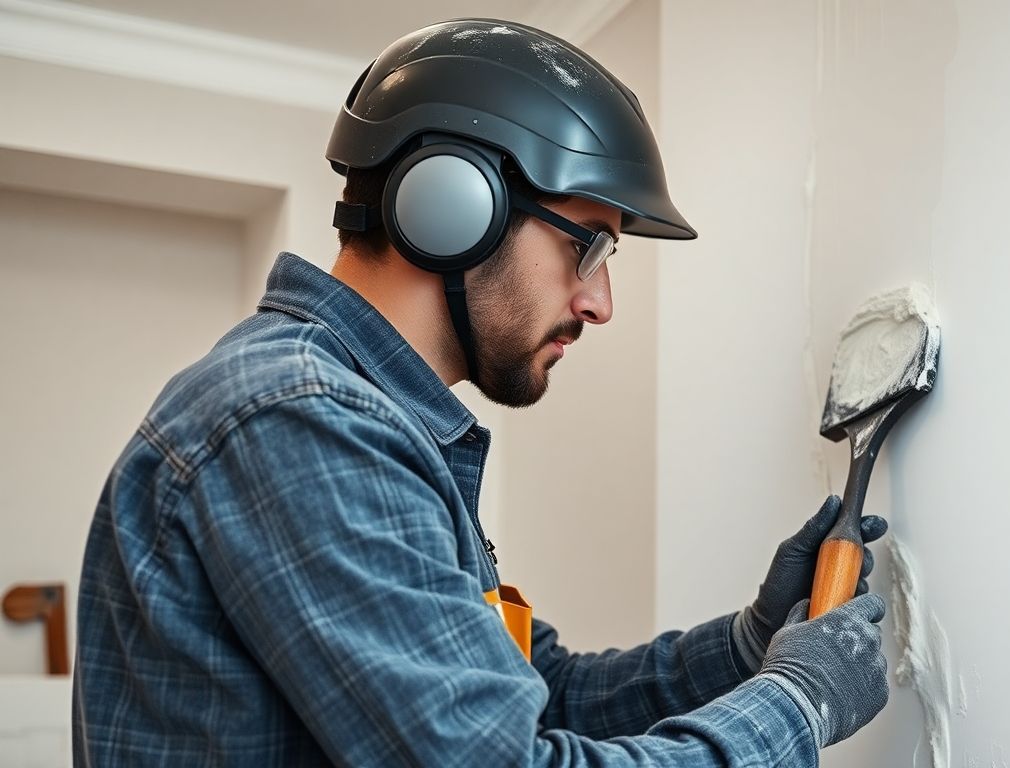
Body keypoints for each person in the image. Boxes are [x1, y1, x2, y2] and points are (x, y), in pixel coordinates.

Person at [73, 18, 890, 767]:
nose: (600, 303)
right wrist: (797, 702)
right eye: (591, 248)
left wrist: (747, 647)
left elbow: (545, 696)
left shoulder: (359, 418)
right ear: (454, 206)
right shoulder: (299, 419)